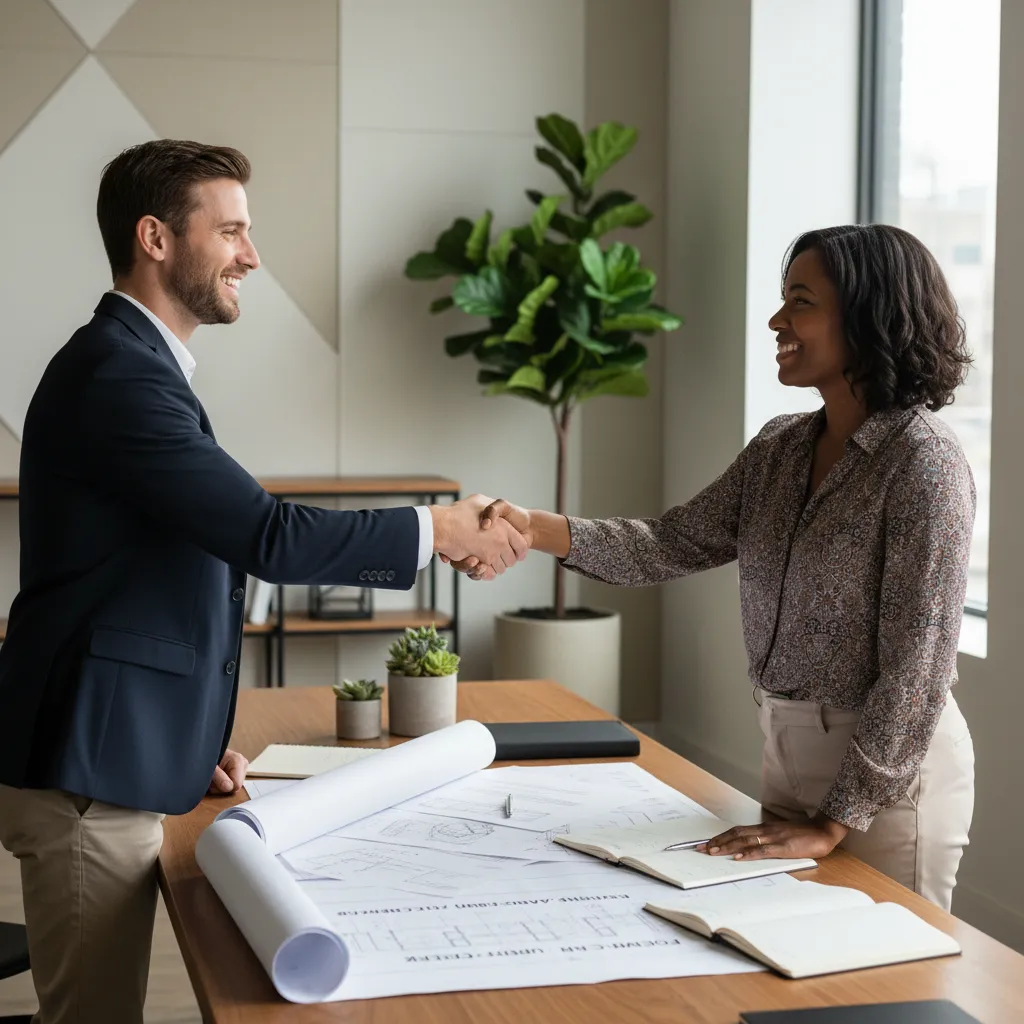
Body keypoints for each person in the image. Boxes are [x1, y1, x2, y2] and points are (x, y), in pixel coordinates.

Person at [0, 139, 525, 1024]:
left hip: (112, 751)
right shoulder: (118, 375)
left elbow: (152, 572)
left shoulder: (135, 365)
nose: (252, 254)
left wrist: (182, 740)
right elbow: (263, 535)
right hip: (84, 770)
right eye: (233, 231)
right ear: (156, 239)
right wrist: (436, 529)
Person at [453, 224, 976, 912]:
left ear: (869, 313)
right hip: (787, 752)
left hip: (890, 784)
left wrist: (833, 821)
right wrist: (529, 525)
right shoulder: (780, 448)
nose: (776, 320)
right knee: (793, 966)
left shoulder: (924, 462)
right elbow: (669, 542)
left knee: (888, 985)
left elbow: (918, 668)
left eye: (800, 301)